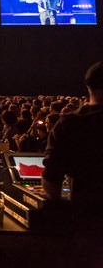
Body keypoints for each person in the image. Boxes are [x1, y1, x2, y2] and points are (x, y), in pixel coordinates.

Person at [42, 61, 103, 267]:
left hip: (88, 221)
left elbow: (52, 177)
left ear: (88, 87)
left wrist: (58, 204)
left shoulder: (71, 124)